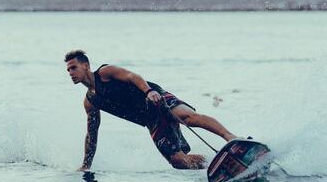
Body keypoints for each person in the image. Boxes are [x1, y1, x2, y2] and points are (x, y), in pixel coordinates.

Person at [65, 50, 238, 171]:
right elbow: (92, 134)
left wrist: (149, 91)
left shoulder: (105, 72)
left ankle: (231, 138)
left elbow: (133, 77)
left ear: (86, 65)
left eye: (74, 68)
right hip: (151, 120)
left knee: (186, 117)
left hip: (154, 98)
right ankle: (214, 163)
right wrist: (86, 165)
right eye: (68, 70)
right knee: (177, 161)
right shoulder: (90, 102)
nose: (71, 72)